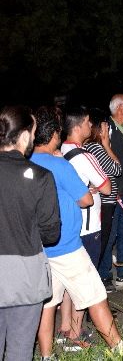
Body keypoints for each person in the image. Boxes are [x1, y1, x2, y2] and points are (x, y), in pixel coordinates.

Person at [31, 107, 123, 357]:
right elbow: (86, 199)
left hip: (42, 247)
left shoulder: (27, 162)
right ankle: (120, 349)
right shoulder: (58, 164)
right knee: (96, 295)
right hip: (67, 245)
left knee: (49, 304)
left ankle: (46, 355)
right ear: (53, 134)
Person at [0, 106, 61, 361]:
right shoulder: (40, 177)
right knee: (19, 350)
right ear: (24, 136)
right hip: (23, 275)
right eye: (33, 134)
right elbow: (51, 234)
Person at [60, 107, 113, 341]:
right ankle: (76, 331)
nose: (91, 126)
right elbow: (106, 186)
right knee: (84, 280)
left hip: (68, 224)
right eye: (89, 122)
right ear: (79, 125)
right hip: (88, 225)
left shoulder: (61, 150)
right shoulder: (83, 155)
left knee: (69, 280)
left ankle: (64, 326)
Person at [99, 94, 123, 290]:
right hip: (115, 193)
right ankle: (105, 275)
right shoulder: (107, 130)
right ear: (120, 108)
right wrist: (114, 189)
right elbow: (103, 161)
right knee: (110, 235)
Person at [83, 109, 121, 272]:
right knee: (101, 244)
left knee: (103, 243)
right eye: (106, 126)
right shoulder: (96, 148)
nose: (108, 129)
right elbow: (117, 169)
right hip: (104, 203)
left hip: (105, 202)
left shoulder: (90, 147)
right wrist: (106, 145)